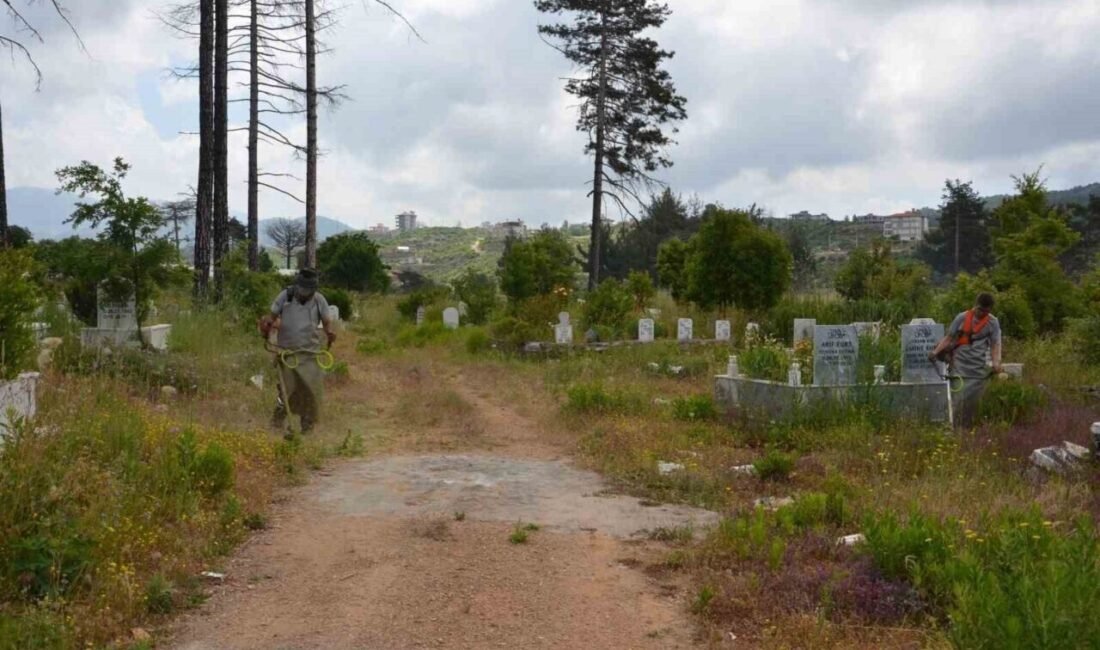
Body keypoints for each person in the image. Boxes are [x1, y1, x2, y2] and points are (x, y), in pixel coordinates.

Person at [259, 269, 336, 435]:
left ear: (314, 289)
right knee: (287, 389)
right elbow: (271, 317)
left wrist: (330, 332)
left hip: (310, 353)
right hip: (288, 353)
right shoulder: (285, 296)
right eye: (302, 289)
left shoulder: (319, 300)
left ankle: (307, 426)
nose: (304, 293)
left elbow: (326, 322)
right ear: (297, 286)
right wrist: (267, 326)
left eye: (308, 290)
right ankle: (277, 421)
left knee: (310, 390)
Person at [929, 292, 1004, 429]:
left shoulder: (993, 322)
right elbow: (949, 338)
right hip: (959, 367)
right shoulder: (962, 317)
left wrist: (996, 363)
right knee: (958, 401)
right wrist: (935, 352)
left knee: (974, 403)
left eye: (986, 311)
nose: (982, 313)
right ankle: (955, 428)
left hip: (978, 371)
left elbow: (995, 344)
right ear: (975, 305)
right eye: (980, 310)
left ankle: (970, 429)